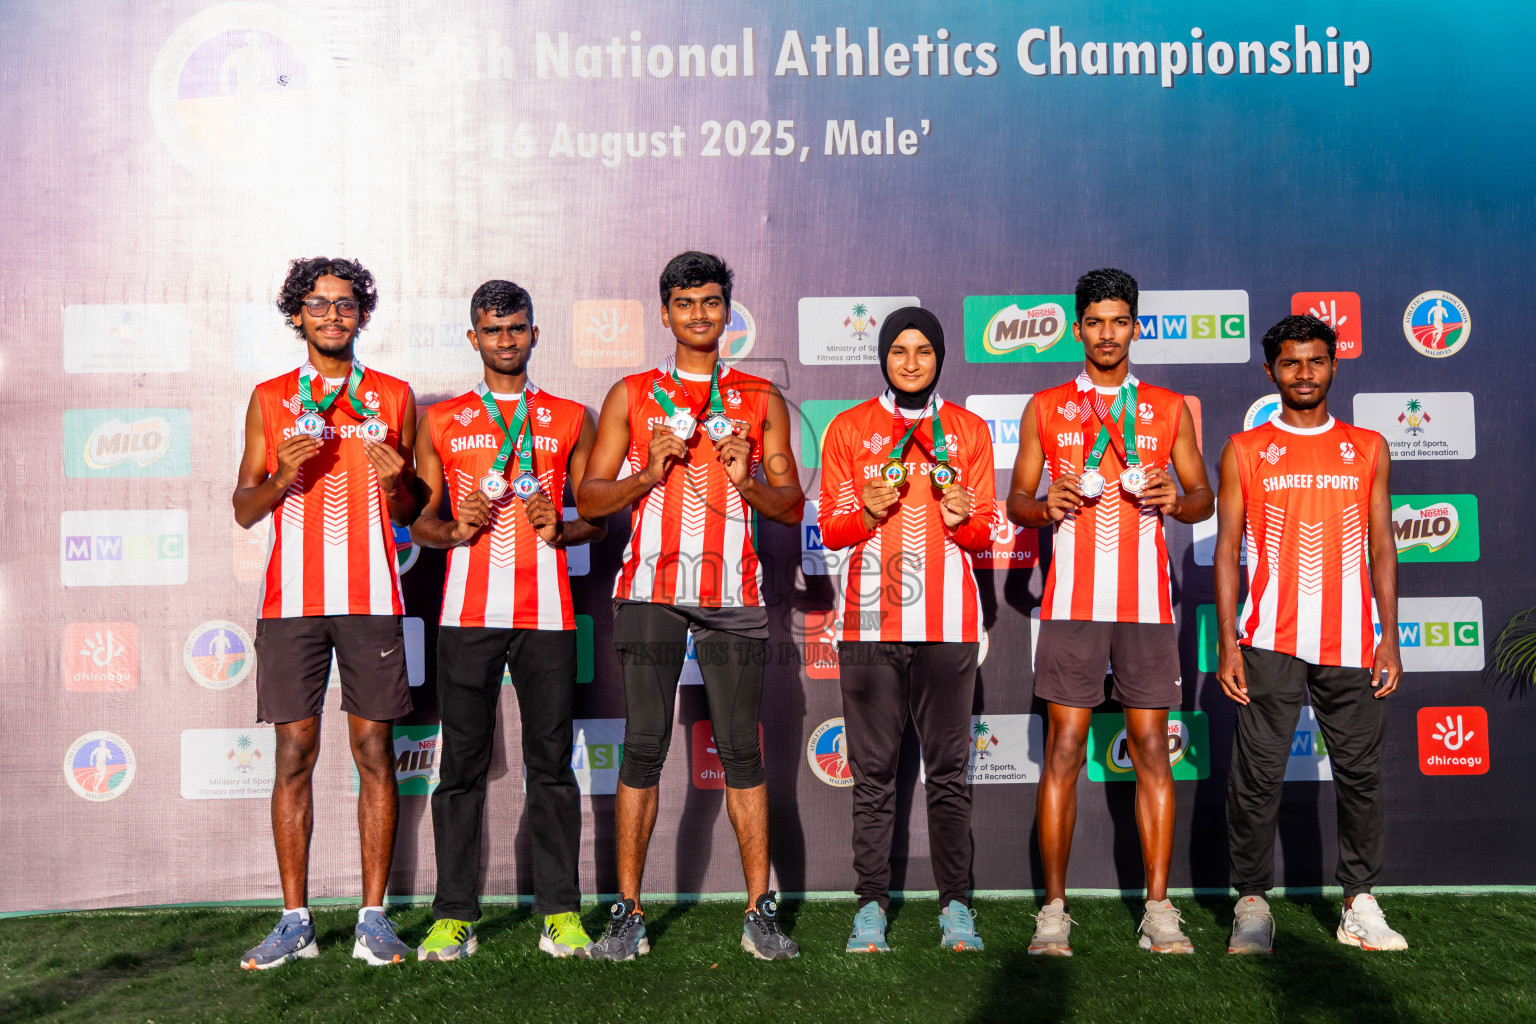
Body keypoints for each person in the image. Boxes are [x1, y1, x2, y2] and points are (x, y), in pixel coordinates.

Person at [576, 251, 804, 961]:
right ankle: (628, 913)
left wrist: (746, 479)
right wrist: (649, 470)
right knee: (644, 745)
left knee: (741, 749)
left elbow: (792, 506)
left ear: (728, 311)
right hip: (650, 594)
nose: (700, 315)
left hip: (732, 596)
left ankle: (759, 912)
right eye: (685, 303)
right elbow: (587, 498)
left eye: (711, 302)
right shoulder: (633, 393)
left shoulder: (759, 398)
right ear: (666, 311)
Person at [1005, 268, 1213, 955]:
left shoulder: (1166, 407)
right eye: (1094, 321)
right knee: (1063, 751)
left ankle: (1158, 910)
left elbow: (1202, 497)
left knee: (1154, 750)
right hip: (1071, 606)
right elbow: (1018, 504)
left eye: (1119, 321)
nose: (1106, 333)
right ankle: (1054, 913)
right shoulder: (1045, 406)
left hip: (1148, 605)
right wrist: (1050, 503)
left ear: (1135, 326)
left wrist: (1173, 499)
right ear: (1077, 328)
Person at [410, 280, 606, 961]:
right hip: (466, 615)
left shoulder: (569, 416)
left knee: (551, 766)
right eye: (493, 330)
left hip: (548, 615)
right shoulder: (442, 420)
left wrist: (566, 525)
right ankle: (454, 915)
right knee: (460, 768)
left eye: (517, 328)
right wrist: (452, 526)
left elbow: (598, 518)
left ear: (534, 333)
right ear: (474, 338)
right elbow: (421, 524)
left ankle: (561, 913)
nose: (506, 340)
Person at [232, 257, 417, 969]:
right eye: (318, 305)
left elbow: (408, 510)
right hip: (292, 606)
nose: (332, 317)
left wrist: (398, 485)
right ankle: (295, 920)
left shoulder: (394, 397)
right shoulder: (271, 397)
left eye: (345, 306)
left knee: (374, 752)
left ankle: (374, 918)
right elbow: (245, 509)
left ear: (362, 315)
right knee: (294, 754)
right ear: (296, 316)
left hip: (371, 599)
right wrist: (282, 474)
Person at [1215, 314, 1406, 954]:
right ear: (1270, 370)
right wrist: (1226, 641)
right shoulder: (1245, 449)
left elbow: (1383, 542)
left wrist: (1391, 636)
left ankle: (1359, 901)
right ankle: (1250, 901)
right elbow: (1225, 552)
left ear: (1332, 366)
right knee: (1257, 777)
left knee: (1360, 775)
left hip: (1353, 639)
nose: (1304, 373)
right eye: (1291, 362)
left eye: (1316, 361)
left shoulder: (1368, 446)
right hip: (1268, 638)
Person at [816, 308, 998, 953]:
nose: (912, 361)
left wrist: (964, 519)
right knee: (872, 775)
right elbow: (832, 529)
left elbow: (987, 534)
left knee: (949, 775)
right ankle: (870, 907)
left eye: (924, 350)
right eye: (899, 350)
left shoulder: (970, 429)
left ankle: (956, 909)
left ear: (940, 357)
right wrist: (863, 510)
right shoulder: (849, 427)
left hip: (947, 623)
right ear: (883, 359)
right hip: (870, 619)